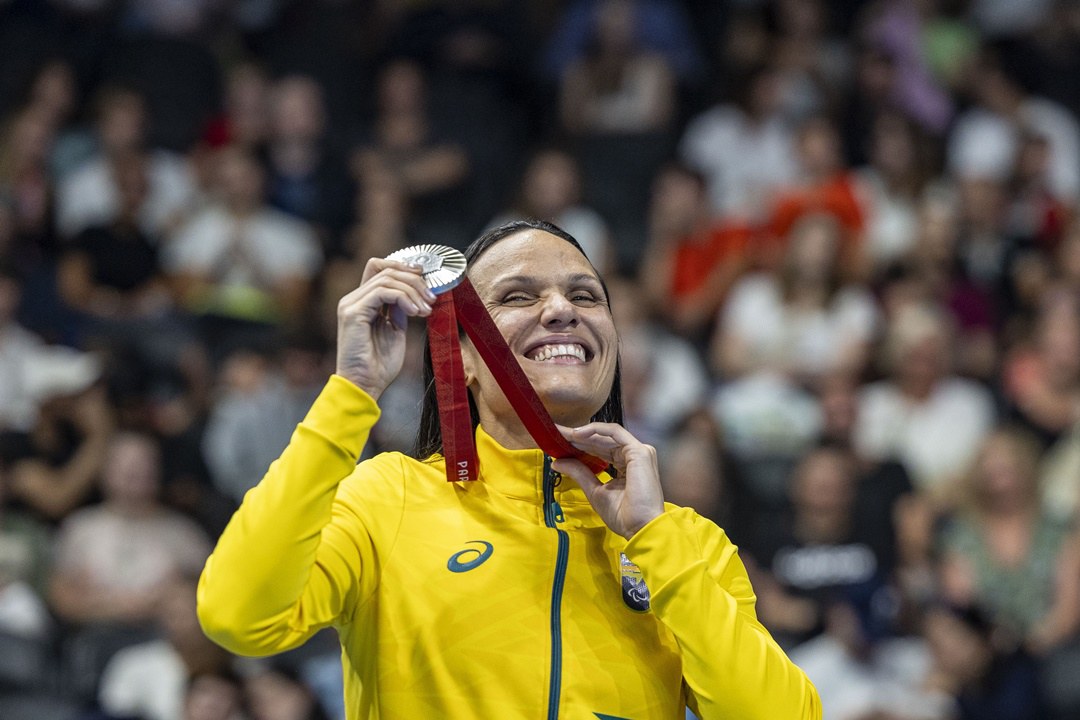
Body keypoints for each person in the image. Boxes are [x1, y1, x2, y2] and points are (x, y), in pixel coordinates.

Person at [197, 219, 820, 719]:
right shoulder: (391, 499)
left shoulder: (686, 545)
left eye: (585, 296)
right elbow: (239, 616)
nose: (560, 311)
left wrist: (654, 540)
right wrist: (351, 394)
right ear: (460, 356)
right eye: (519, 296)